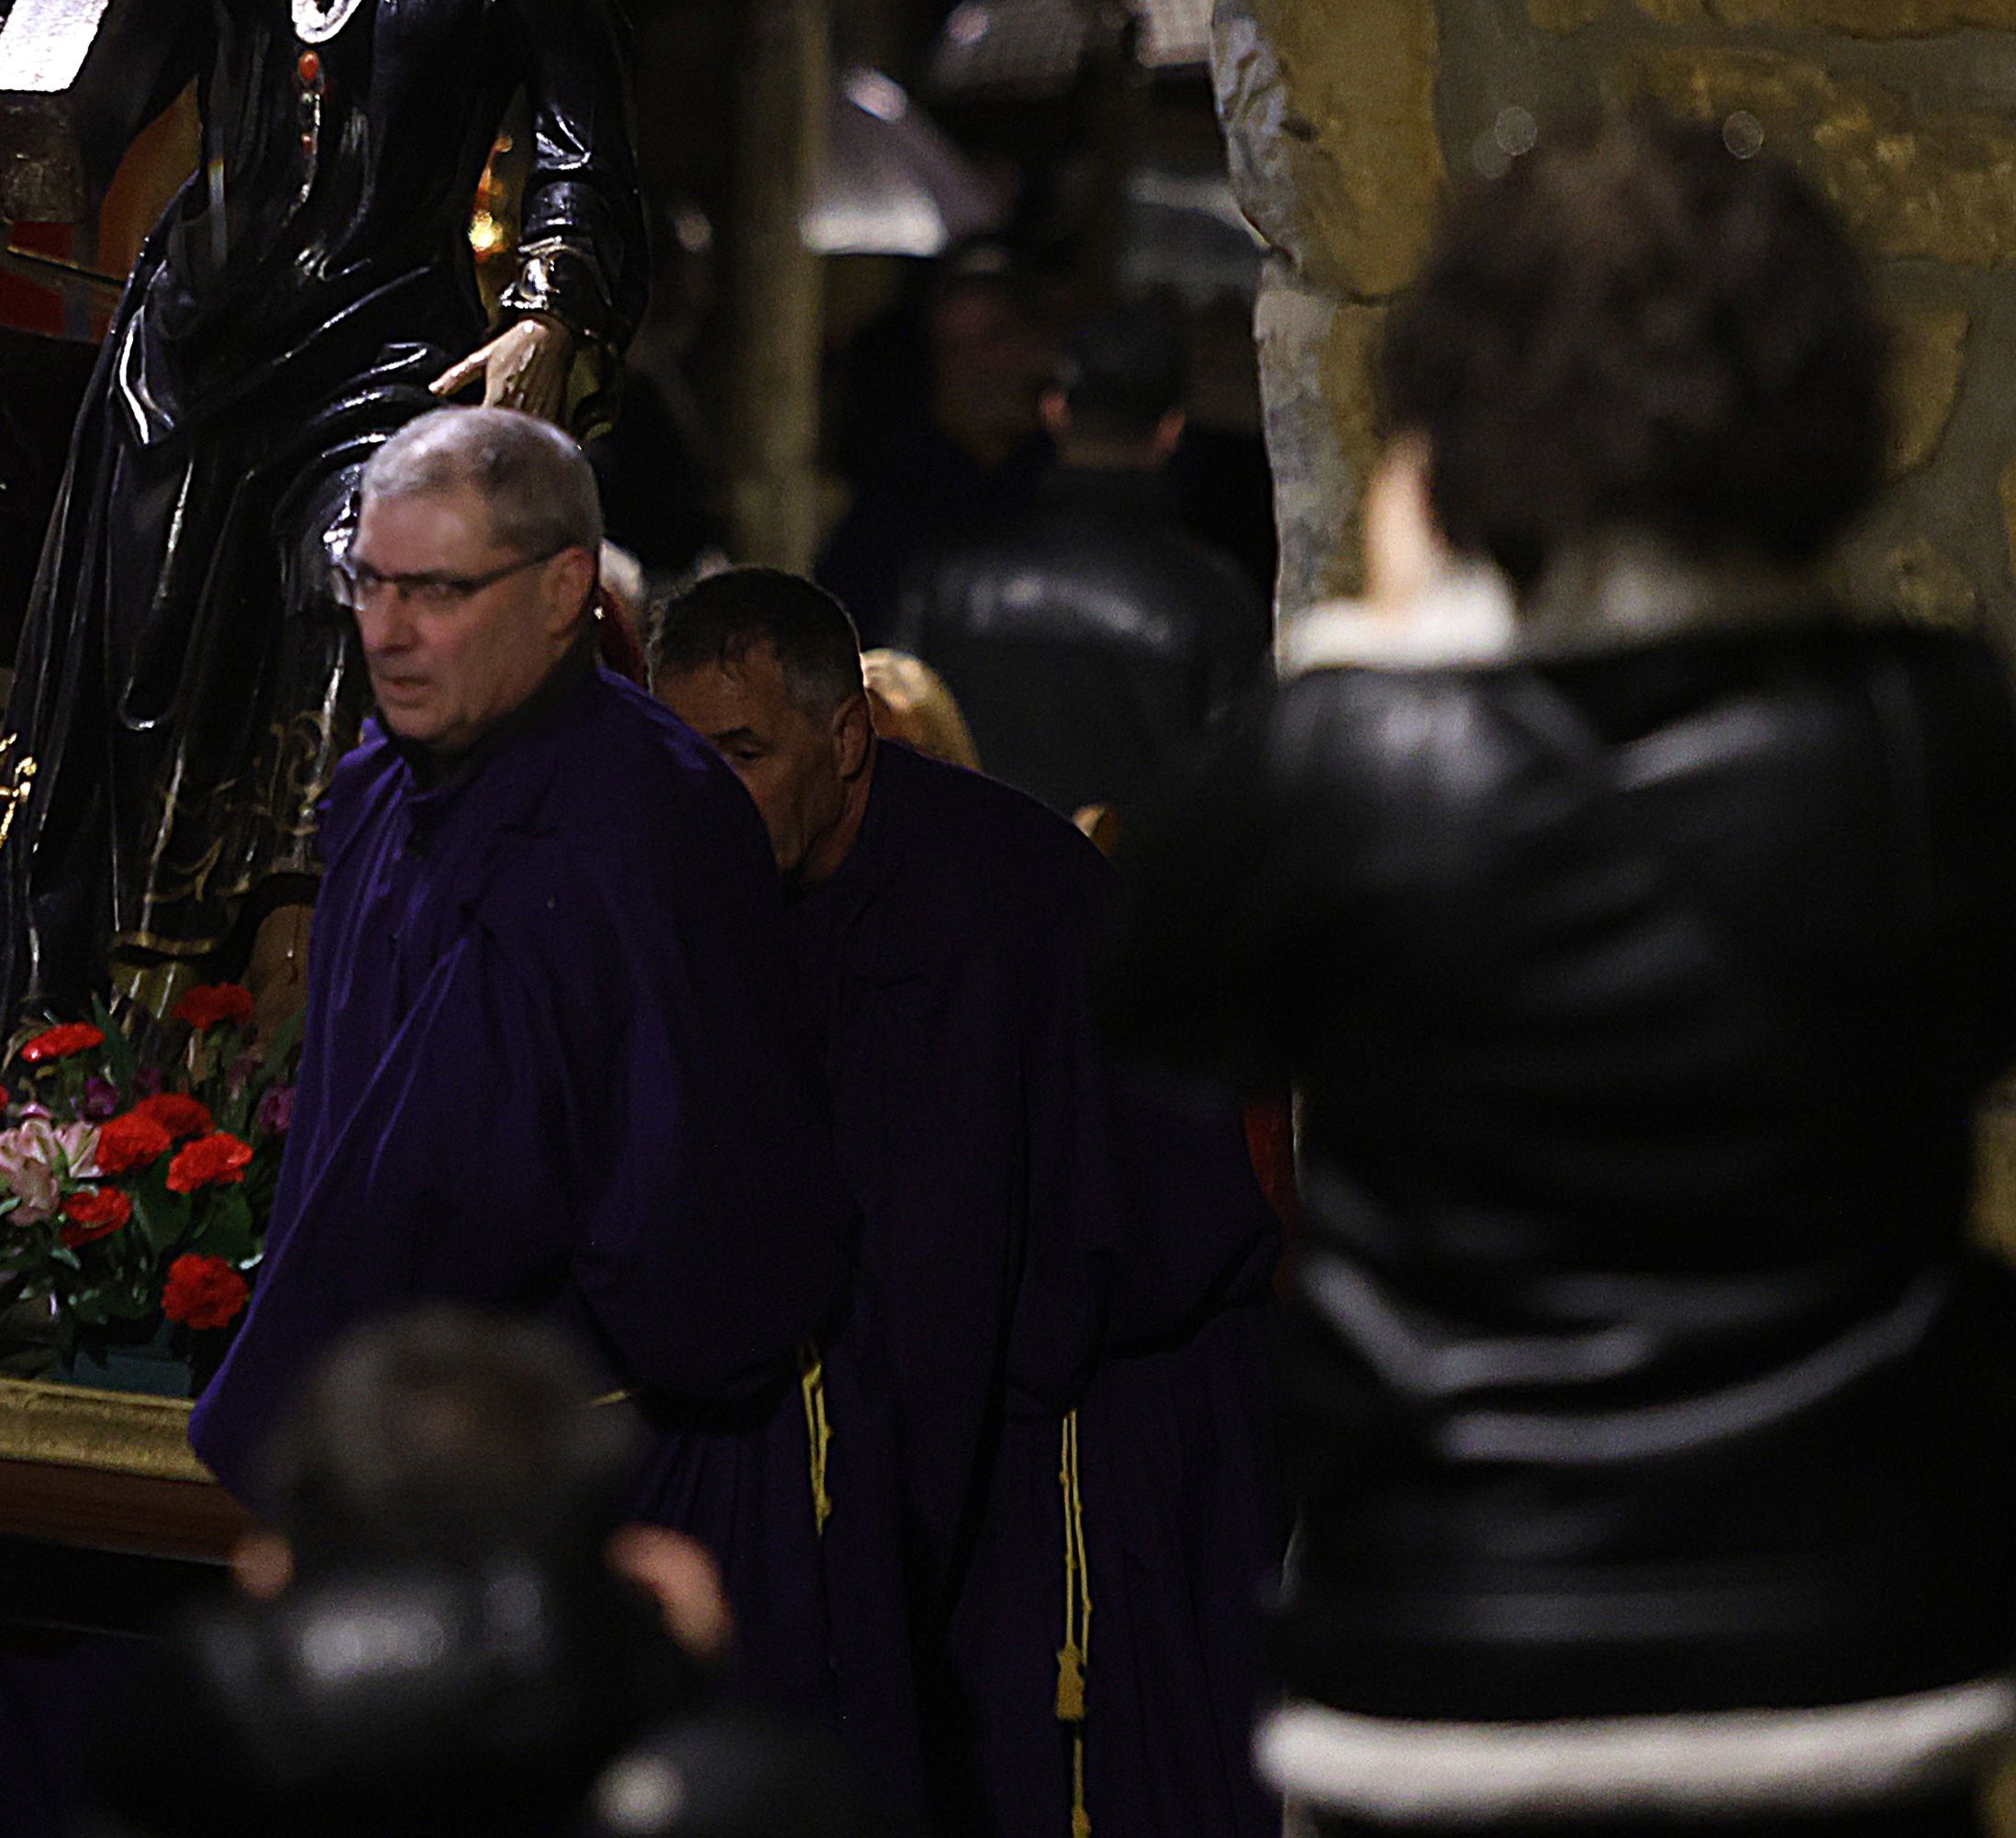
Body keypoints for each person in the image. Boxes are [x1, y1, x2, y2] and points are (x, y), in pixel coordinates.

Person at [1108, 115, 2016, 1838]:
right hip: (1849, 1652)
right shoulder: (1923, 733)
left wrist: (1383, 630)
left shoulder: (1354, 757)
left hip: (1450, 1664)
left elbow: (1163, 991)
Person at [0, 0, 648, 1007]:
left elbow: (587, 162)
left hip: (384, 364)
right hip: (184, 368)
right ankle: (106, 1069)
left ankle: (288, 1028)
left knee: (348, 616)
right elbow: (36, 56)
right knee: (132, 699)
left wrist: (545, 314)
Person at [187, 410, 853, 1745]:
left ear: (563, 591)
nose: (386, 629)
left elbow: (691, 1219)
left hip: (568, 1484)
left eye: (435, 590)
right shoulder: (381, 782)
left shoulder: (650, 816)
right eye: (366, 582)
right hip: (384, 1463)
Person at [655, 568, 1281, 1838]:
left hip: (1095, 1433)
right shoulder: (756, 886)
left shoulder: (966, 906)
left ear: (843, 742)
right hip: (964, 1388)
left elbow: (939, 1276)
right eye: (686, 755)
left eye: (744, 751)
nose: (709, 794)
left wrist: (852, 1581)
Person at [90, 1309, 865, 1838]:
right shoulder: (751, 1796)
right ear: (627, 1560)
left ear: (276, 1565)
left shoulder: (175, 1762)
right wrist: (677, 1667)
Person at [902, 300, 1269, 831]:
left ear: (1055, 411)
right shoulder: (1214, 599)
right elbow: (1231, 802)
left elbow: (896, 742)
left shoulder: (948, 584)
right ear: (1171, 428)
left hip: (970, 899)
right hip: (1128, 905)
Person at [815, 249, 1056, 647]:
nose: (975, 366)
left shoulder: (1067, 470)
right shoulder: (902, 480)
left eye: (993, 339)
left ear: (1038, 342)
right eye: (955, 348)